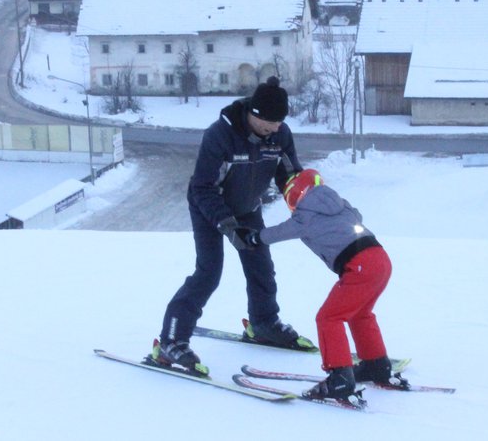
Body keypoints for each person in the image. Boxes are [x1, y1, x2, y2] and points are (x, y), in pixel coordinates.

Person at [153, 76, 305, 375]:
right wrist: (229, 227)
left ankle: (263, 324)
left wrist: (308, 199)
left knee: (261, 266)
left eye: (279, 123)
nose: (276, 129)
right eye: (271, 123)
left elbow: (290, 176)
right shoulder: (219, 136)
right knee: (209, 273)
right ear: (254, 115)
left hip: (248, 207)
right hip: (209, 207)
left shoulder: (279, 135)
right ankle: (171, 340)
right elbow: (203, 187)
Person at [250, 168, 395, 400]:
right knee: (360, 313)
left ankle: (340, 379)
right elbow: (357, 215)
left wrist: (254, 237)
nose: (292, 204)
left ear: (298, 194)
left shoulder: (305, 216)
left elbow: (277, 233)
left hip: (358, 265)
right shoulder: (342, 204)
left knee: (329, 317)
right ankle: (376, 364)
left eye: (291, 198)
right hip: (380, 259)